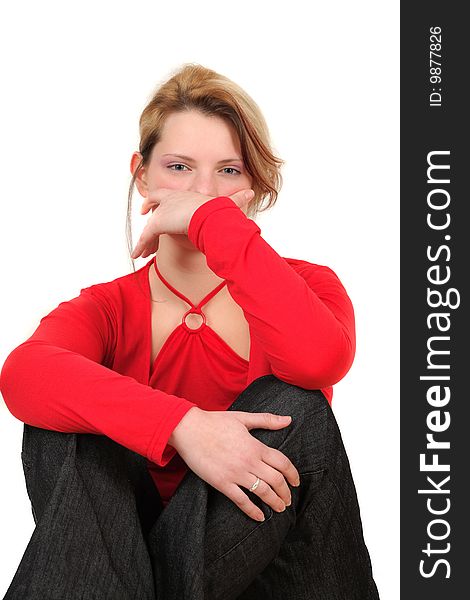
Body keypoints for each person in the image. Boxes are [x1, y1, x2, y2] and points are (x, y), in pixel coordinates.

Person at [0, 63, 380, 599]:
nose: (202, 191)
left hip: (275, 570)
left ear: (255, 183)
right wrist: (185, 426)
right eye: (179, 167)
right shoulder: (108, 308)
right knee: (59, 416)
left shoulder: (308, 285)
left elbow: (320, 361)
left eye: (228, 171)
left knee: (296, 402)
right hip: (113, 566)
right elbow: (23, 376)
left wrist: (211, 223)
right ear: (141, 174)